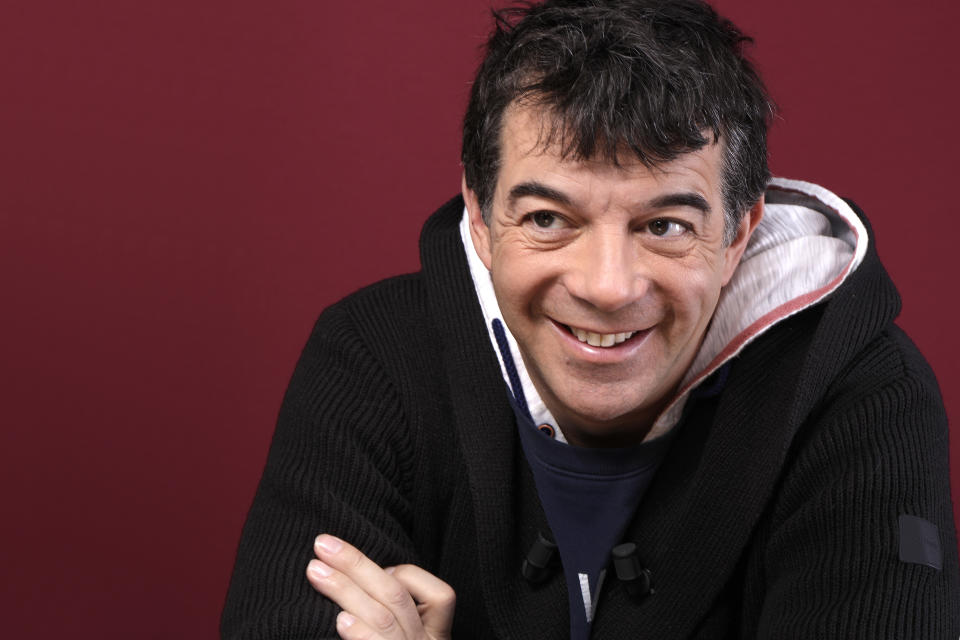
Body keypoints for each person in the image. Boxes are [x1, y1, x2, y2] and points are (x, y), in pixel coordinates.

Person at [221, 0, 960, 637]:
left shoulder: (865, 396)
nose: (608, 287)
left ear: (739, 233)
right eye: (548, 218)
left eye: (665, 225)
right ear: (479, 218)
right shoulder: (373, 356)